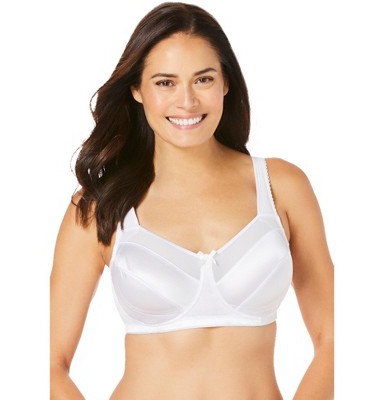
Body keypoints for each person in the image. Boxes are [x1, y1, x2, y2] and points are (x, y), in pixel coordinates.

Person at [50, 2, 334, 399]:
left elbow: (334, 338)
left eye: (203, 79)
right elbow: (49, 362)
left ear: (225, 83)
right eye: (165, 82)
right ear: (136, 89)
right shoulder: (100, 205)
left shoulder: (280, 186)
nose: (187, 101)